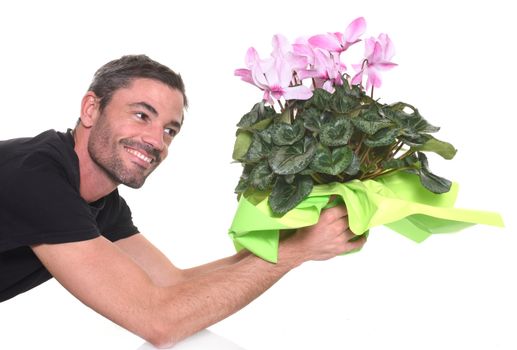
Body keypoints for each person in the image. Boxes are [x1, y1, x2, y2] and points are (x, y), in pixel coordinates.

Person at [0, 55, 366, 348]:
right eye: (141, 115)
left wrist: (290, 242)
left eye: (169, 130)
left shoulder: (101, 200)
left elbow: (170, 285)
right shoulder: (36, 177)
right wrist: (295, 252)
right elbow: (159, 320)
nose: (156, 141)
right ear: (91, 110)